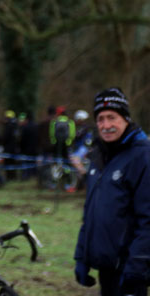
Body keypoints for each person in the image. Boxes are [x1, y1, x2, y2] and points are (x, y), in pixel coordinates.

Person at [74, 87, 150, 296]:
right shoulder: (98, 157)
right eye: (100, 119)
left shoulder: (142, 156)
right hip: (106, 268)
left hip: (131, 270)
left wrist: (139, 265)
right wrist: (81, 256)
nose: (106, 125)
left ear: (125, 118)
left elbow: (148, 219)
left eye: (112, 118)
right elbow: (91, 212)